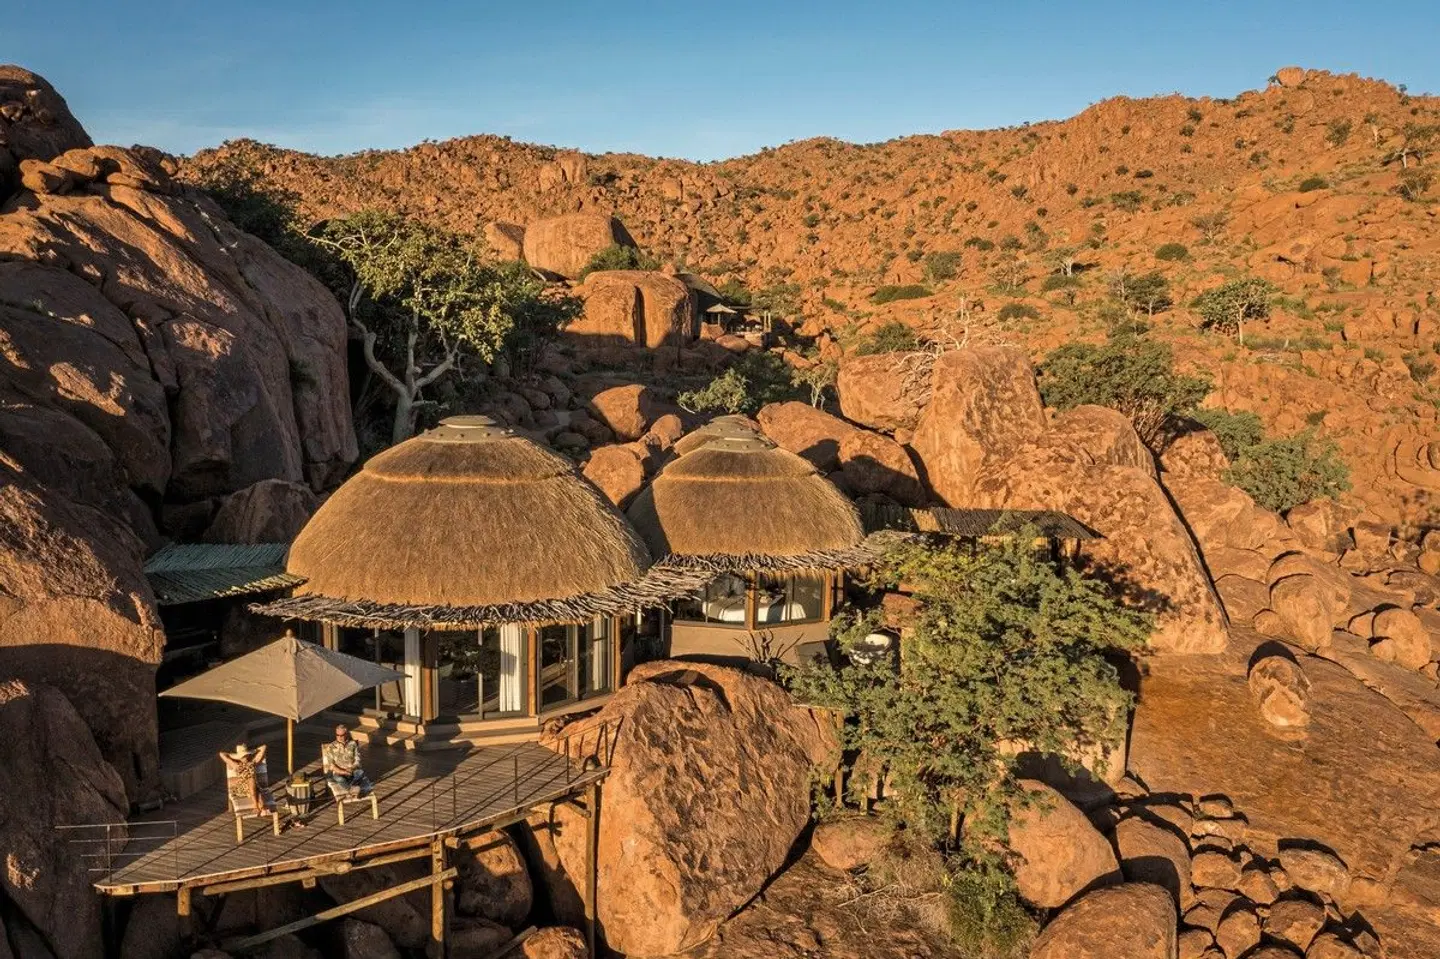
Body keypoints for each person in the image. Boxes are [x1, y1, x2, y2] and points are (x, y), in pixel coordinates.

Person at [322, 724, 371, 798]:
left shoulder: (353, 744)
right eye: (337, 735)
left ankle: (351, 785)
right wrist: (344, 772)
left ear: (346, 734)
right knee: (338, 778)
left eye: (342, 735)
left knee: (360, 772)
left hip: (351, 770)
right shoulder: (331, 747)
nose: (339, 737)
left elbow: (357, 759)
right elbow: (332, 766)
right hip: (338, 772)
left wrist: (352, 768)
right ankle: (351, 789)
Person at [219, 743, 271, 812]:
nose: (245, 757)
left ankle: (260, 807)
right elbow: (221, 754)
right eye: (243, 756)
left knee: (257, 790)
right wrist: (231, 756)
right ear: (239, 757)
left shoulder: (253, 762)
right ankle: (256, 805)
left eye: (246, 755)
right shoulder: (236, 765)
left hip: (255, 787)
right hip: (242, 787)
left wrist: (253, 751)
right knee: (251, 780)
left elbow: (263, 747)